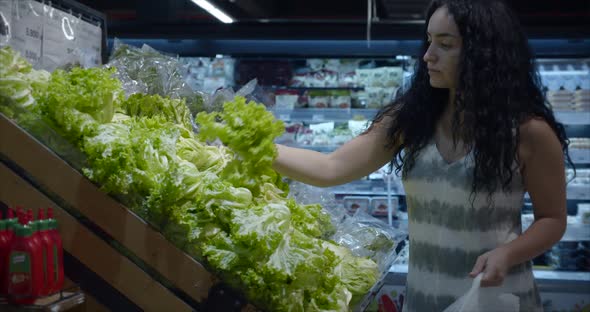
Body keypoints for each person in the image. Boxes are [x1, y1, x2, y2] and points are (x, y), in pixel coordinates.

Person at [273, 0, 571, 311]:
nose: (428, 55)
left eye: (445, 44)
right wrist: (248, 146)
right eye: (429, 41)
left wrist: (508, 253)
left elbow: (552, 219)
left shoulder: (528, 132)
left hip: (498, 299)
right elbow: (330, 168)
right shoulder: (410, 119)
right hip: (422, 297)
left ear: (484, 54)